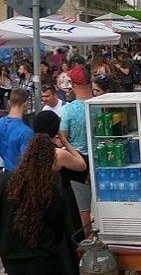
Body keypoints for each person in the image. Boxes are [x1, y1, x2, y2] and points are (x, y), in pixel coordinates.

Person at [0, 134, 70, 275]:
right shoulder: (54, 188)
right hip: (43, 255)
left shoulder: (4, 182)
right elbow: (58, 226)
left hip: (11, 254)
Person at [32, 111, 87, 275]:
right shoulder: (58, 154)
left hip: (40, 199)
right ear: (55, 131)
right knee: (67, 240)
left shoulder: (31, 151)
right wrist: (66, 142)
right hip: (61, 200)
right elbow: (81, 165)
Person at [58, 64, 93, 234]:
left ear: (72, 84)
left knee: (83, 210)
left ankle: (86, 247)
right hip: (103, 160)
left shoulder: (67, 111)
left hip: (77, 163)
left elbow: (62, 138)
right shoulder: (101, 104)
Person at [0, 88, 34, 171]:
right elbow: (27, 160)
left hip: (6, 172)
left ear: (9, 102)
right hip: (19, 174)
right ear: (26, 103)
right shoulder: (26, 131)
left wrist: (3, 152)